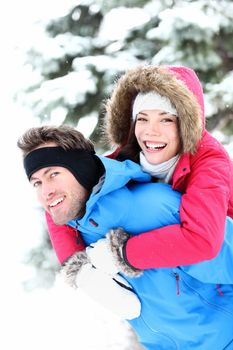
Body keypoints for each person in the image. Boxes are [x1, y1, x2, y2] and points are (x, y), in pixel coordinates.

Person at [18, 125, 233, 349]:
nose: (46, 191)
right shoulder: (84, 238)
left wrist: (130, 253)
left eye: (53, 174)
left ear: (81, 168)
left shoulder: (152, 206)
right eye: (37, 183)